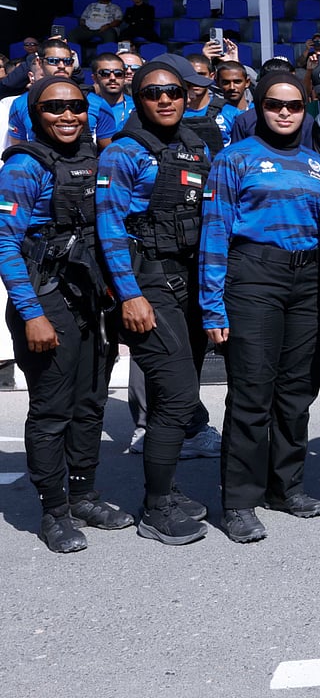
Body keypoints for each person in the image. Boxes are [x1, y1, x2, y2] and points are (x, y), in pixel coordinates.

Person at [199, 72, 320, 542]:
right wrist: (212, 308)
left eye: (294, 105)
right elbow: (214, 233)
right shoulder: (234, 159)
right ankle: (238, 501)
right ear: (259, 106)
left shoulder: (317, 164)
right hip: (253, 276)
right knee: (252, 394)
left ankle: (285, 486)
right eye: (275, 104)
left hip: (307, 282)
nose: (285, 113)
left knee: (296, 394)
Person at [0, 77, 126, 552]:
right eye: (54, 108)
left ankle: (83, 494)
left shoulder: (93, 159)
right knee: (53, 410)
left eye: (76, 106)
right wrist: (33, 314)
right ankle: (54, 511)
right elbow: (5, 241)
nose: (68, 115)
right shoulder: (25, 166)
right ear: (36, 114)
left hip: (89, 293)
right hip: (46, 296)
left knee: (91, 401)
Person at [97, 60, 213, 545]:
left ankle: (167, 487)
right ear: (138, 99)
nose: (165, 100)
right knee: (176, 395)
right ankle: (156, 508)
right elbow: (109, 227)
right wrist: (129, 294)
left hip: (191, 283)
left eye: (173, 92)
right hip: (147, 284)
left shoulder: (196, 145)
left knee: (182, 394)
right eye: (153, 93)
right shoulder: (123, 152)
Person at [8, 39, 117, 150]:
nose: (61, 66)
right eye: (53, 61)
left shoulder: (97, 103)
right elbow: (18, 149)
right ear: (39, 62)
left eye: (67, 61)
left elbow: (110, 154)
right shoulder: (20, 104)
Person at [90, 53, 134, 131]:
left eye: (118, 73)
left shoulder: (137, 106)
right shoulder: (89, 106)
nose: (113, 78)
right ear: (95, 78)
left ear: (124, 77)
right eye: (105, 73)